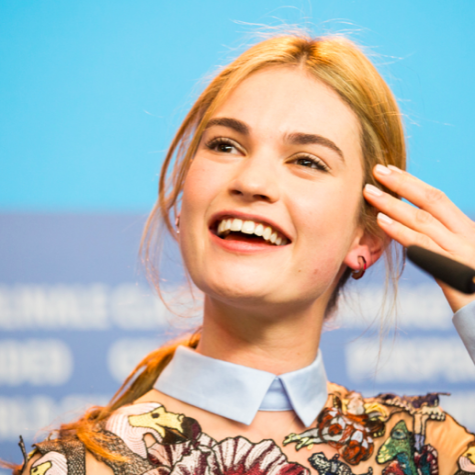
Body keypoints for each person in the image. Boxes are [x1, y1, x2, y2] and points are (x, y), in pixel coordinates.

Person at [13, 32, 475, 475]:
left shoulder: (426, 453)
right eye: (225, 145)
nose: (251, 182)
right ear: (183, 198)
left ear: (366, 240)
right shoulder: (80, 466)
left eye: (307, 161)